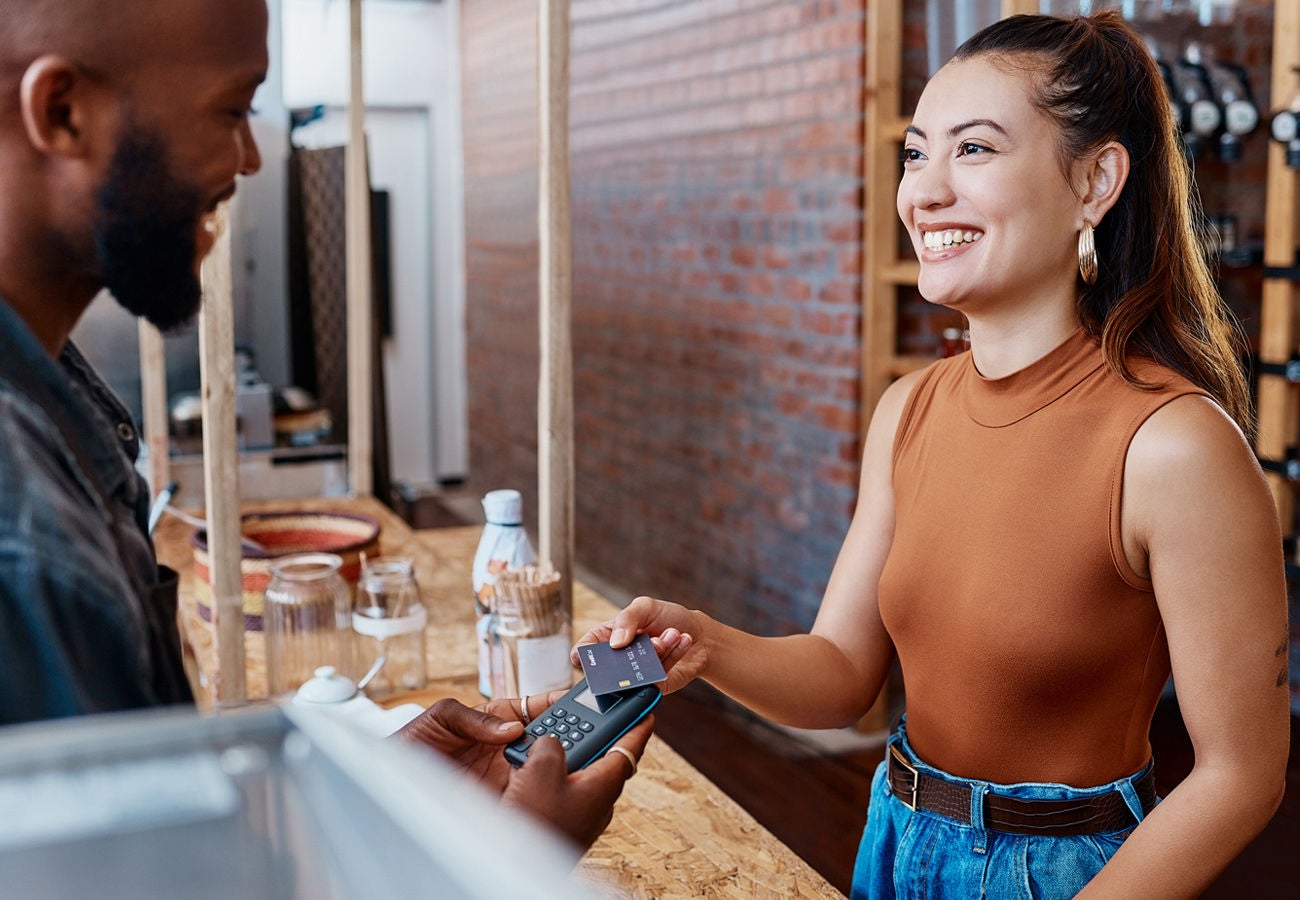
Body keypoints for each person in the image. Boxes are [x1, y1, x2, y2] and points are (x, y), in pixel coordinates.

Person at [577, 12, 1288, 897]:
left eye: (975, 150)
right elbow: (841, 676)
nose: (925, 191)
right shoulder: (908, 410)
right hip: (894, 836)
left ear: (1096, 181)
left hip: (1062, 873)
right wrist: (706, 645)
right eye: (916, 154)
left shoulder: (1175, 444)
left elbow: (1239, 775)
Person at [0, 0, 649, 853]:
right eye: (232, 111)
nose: (251, 157)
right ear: (62, 112)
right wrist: (502, 862)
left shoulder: (67, 413)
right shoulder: (28, 545)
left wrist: (375, 797)